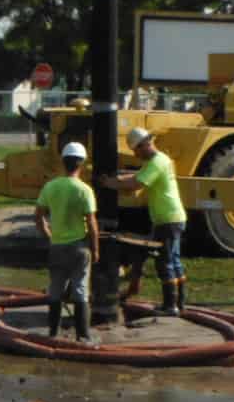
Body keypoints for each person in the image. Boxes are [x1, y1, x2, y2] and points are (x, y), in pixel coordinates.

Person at [103, 125, 188, 315]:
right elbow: (137, 176)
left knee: (164, 262)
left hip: (167, 219)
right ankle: (180, 303)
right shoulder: (158, 161)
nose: (135, 155)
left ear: (143, 145)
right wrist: (120, 178)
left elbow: (136, 184)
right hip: (172, 217)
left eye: (135, 150)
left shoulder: (156, 162)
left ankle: (170, 306)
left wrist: (110, 183)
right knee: (174, 260)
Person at [34, 141, 99, 342]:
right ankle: (83, 336)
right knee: (80, 290)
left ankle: (53, 333)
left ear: (63, 162)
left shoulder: (50, 187)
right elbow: (92, 223)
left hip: (57, 247)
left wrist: (49, 236)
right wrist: (95, 250)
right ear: (82, 164)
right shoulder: (85, 190)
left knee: (55, 289)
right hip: (80, 247)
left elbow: (38, 216)